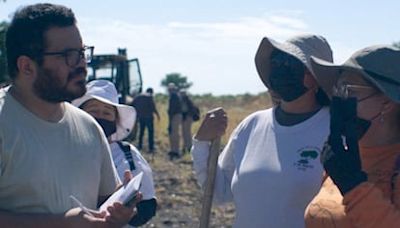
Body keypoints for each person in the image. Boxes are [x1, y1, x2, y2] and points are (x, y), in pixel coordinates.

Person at [0, 3, 141, 227]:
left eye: (83, 53)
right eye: (69, 55)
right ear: (27, 66)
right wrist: (60, 223)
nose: (82, 65)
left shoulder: (89, 127)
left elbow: (105, 199)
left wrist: (118, 210)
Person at [191, 34, 333, 227]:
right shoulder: (252, 125)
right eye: (276, 62)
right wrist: (201, 143)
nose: (279, 70)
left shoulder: (336, 130)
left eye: (289, 64)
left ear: (314, 77)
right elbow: (219, 192)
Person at [305, 45, 400, 227]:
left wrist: (355, 187)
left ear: (387, 103)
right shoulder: (344, 156)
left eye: (349, 91)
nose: (340, 100)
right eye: (337, 91)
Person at [73, 80, 157, 227]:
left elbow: (147, 206)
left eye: (107, 112)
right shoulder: (64, 150)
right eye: (93, 111)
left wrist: (127, 214)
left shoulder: (128, 154)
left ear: (115, 120)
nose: (100, 117)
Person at [132, 87, 160, 153]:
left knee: (141, 132)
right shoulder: (149, 97)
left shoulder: (138, 96)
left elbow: (132, 104)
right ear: (151, 92)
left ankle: (140, 145)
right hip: (149, 117)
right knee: (150, 132)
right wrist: (157, 115)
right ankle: (151, 147)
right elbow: (153, 107)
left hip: (141, 117)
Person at [167, 82, 182, 160]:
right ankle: (174, 150)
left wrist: (170, 120)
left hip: (175, 116)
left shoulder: (173, 96)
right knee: (174, 134)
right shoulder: (176, 95)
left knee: (174, 134)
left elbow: (172, 109)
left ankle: (175, 151)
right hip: (176, 115)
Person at [180, 89, 197, 154]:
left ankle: (188, 147)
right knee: (186, 133)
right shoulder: (188, 100)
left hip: (187, 118)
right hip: (187, 118)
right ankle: (186, 147)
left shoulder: (185, 100)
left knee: (186, 133)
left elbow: (184, 110)